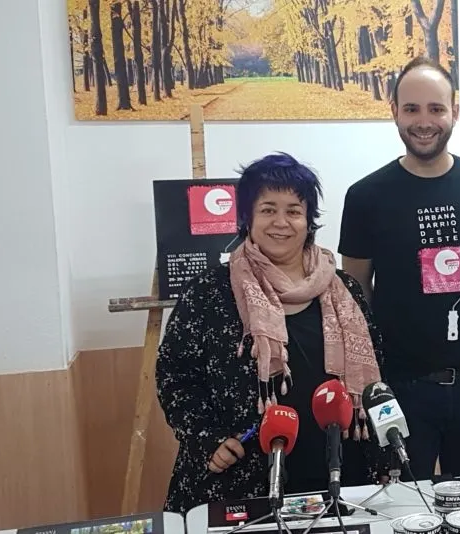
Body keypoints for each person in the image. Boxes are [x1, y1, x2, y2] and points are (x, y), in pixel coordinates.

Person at [156, 152, 388, 514]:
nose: (281, 222)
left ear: (309, 221)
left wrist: (382, 453)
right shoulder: (209, 292)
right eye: (268, 209)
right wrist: (207, 439)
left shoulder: (344, 290)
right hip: (240, 477)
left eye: (294, 211)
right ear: (247, 217)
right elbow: (175, 376)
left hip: (338, 473)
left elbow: (375, 381)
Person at [338, 57, 460, 481]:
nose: (424, 121)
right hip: (397, 390)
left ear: (455, 111)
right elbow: (357, 291)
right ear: (394, 111)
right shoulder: (365, 196)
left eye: (436, 108)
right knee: (400, 504)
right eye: (412, 108)